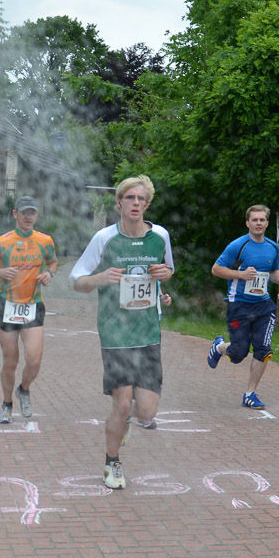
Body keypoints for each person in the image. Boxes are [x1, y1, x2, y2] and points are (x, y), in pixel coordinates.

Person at [70, 176, 174, 489]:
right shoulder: (104, 238)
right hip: (115, 333)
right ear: (119, 203)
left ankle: (126, 420)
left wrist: (164, 273)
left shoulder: (160, 236)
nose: (136, 203)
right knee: (123, 404)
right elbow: (77, 280)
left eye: (141, 199)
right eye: (130, 198)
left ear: (148, 204)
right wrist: (99, 278)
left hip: (148, 333)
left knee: (147, 411)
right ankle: (112, 462)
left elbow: (168, 270)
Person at [0, 196, 58, 423]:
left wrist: (49, 273)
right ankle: (6, 404)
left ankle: (24, 389)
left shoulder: (45, 240)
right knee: (10, 361)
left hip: (33, 306)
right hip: (7, 306)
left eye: (32, 213)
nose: (28, 217)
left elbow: (53, 262)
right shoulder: (2, 242)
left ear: (37, 215)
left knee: (34, 360)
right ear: (15, 214)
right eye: (24, 213)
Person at [206, 203, 279, 409]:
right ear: (247, 223)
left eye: (262, 220)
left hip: (264, 306)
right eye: (255, 220)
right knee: (238, 354)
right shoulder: (238, 246)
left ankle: (250, 394)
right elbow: (216, 269)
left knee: (263, 349)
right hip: (240, 305)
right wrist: (241, 275)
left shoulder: (272, 247)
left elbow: (273, 272)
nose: (258, 223)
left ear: (267, 223)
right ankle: (219, 347)